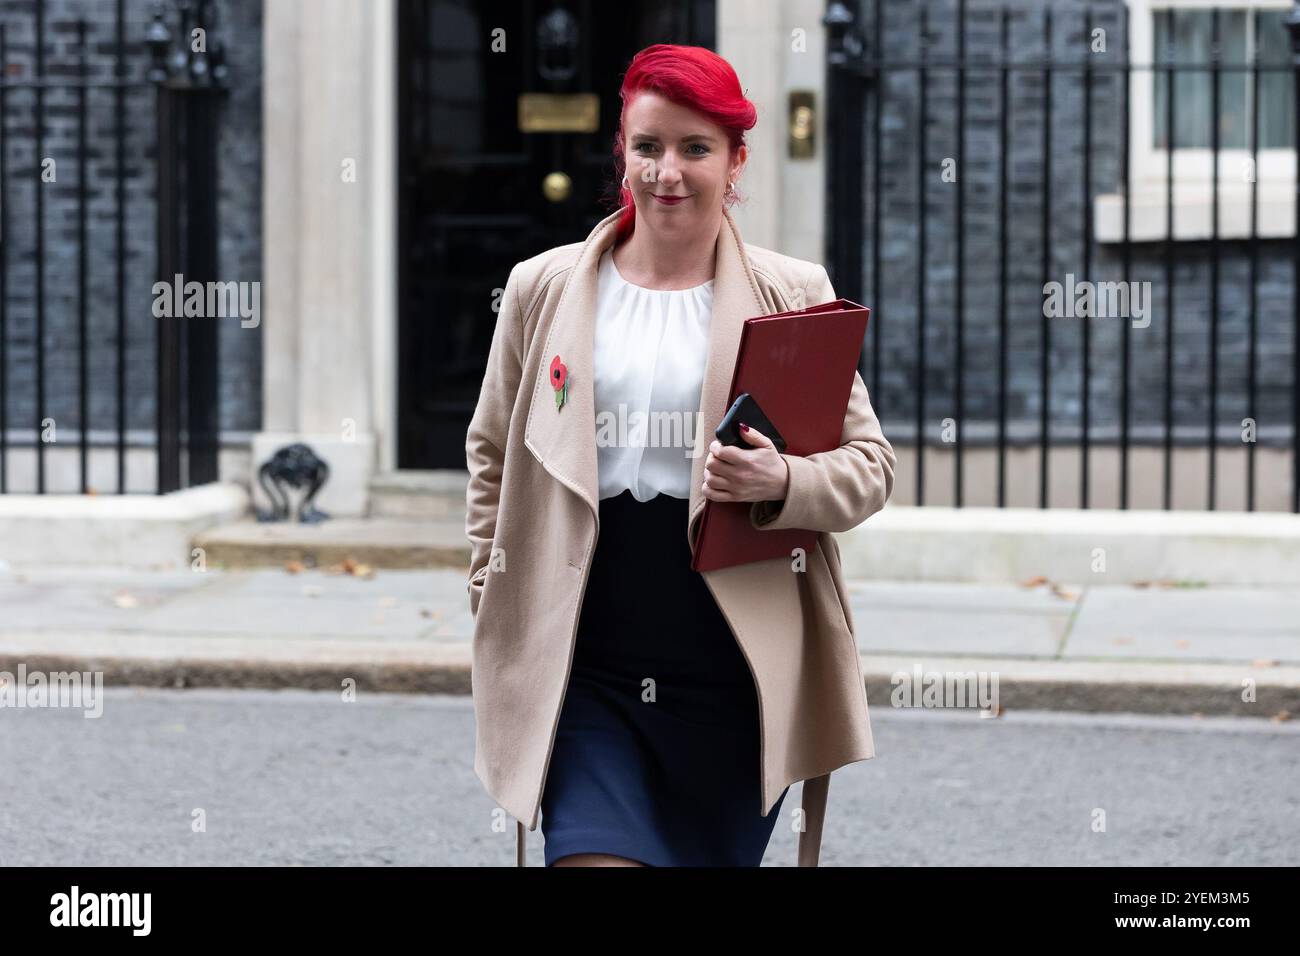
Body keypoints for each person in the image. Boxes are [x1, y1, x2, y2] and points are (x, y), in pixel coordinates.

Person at [464, 43, 897, 867]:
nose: (667, 171)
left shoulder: (792, 293)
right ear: (622, 153)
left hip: (731, 655)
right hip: (585, 650)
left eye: (695, 148)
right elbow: (492, 451)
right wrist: (489, 581)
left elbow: (870, 465)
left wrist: (784, 481)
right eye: (648, 146)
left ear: (735, 160)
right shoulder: (542, 288)